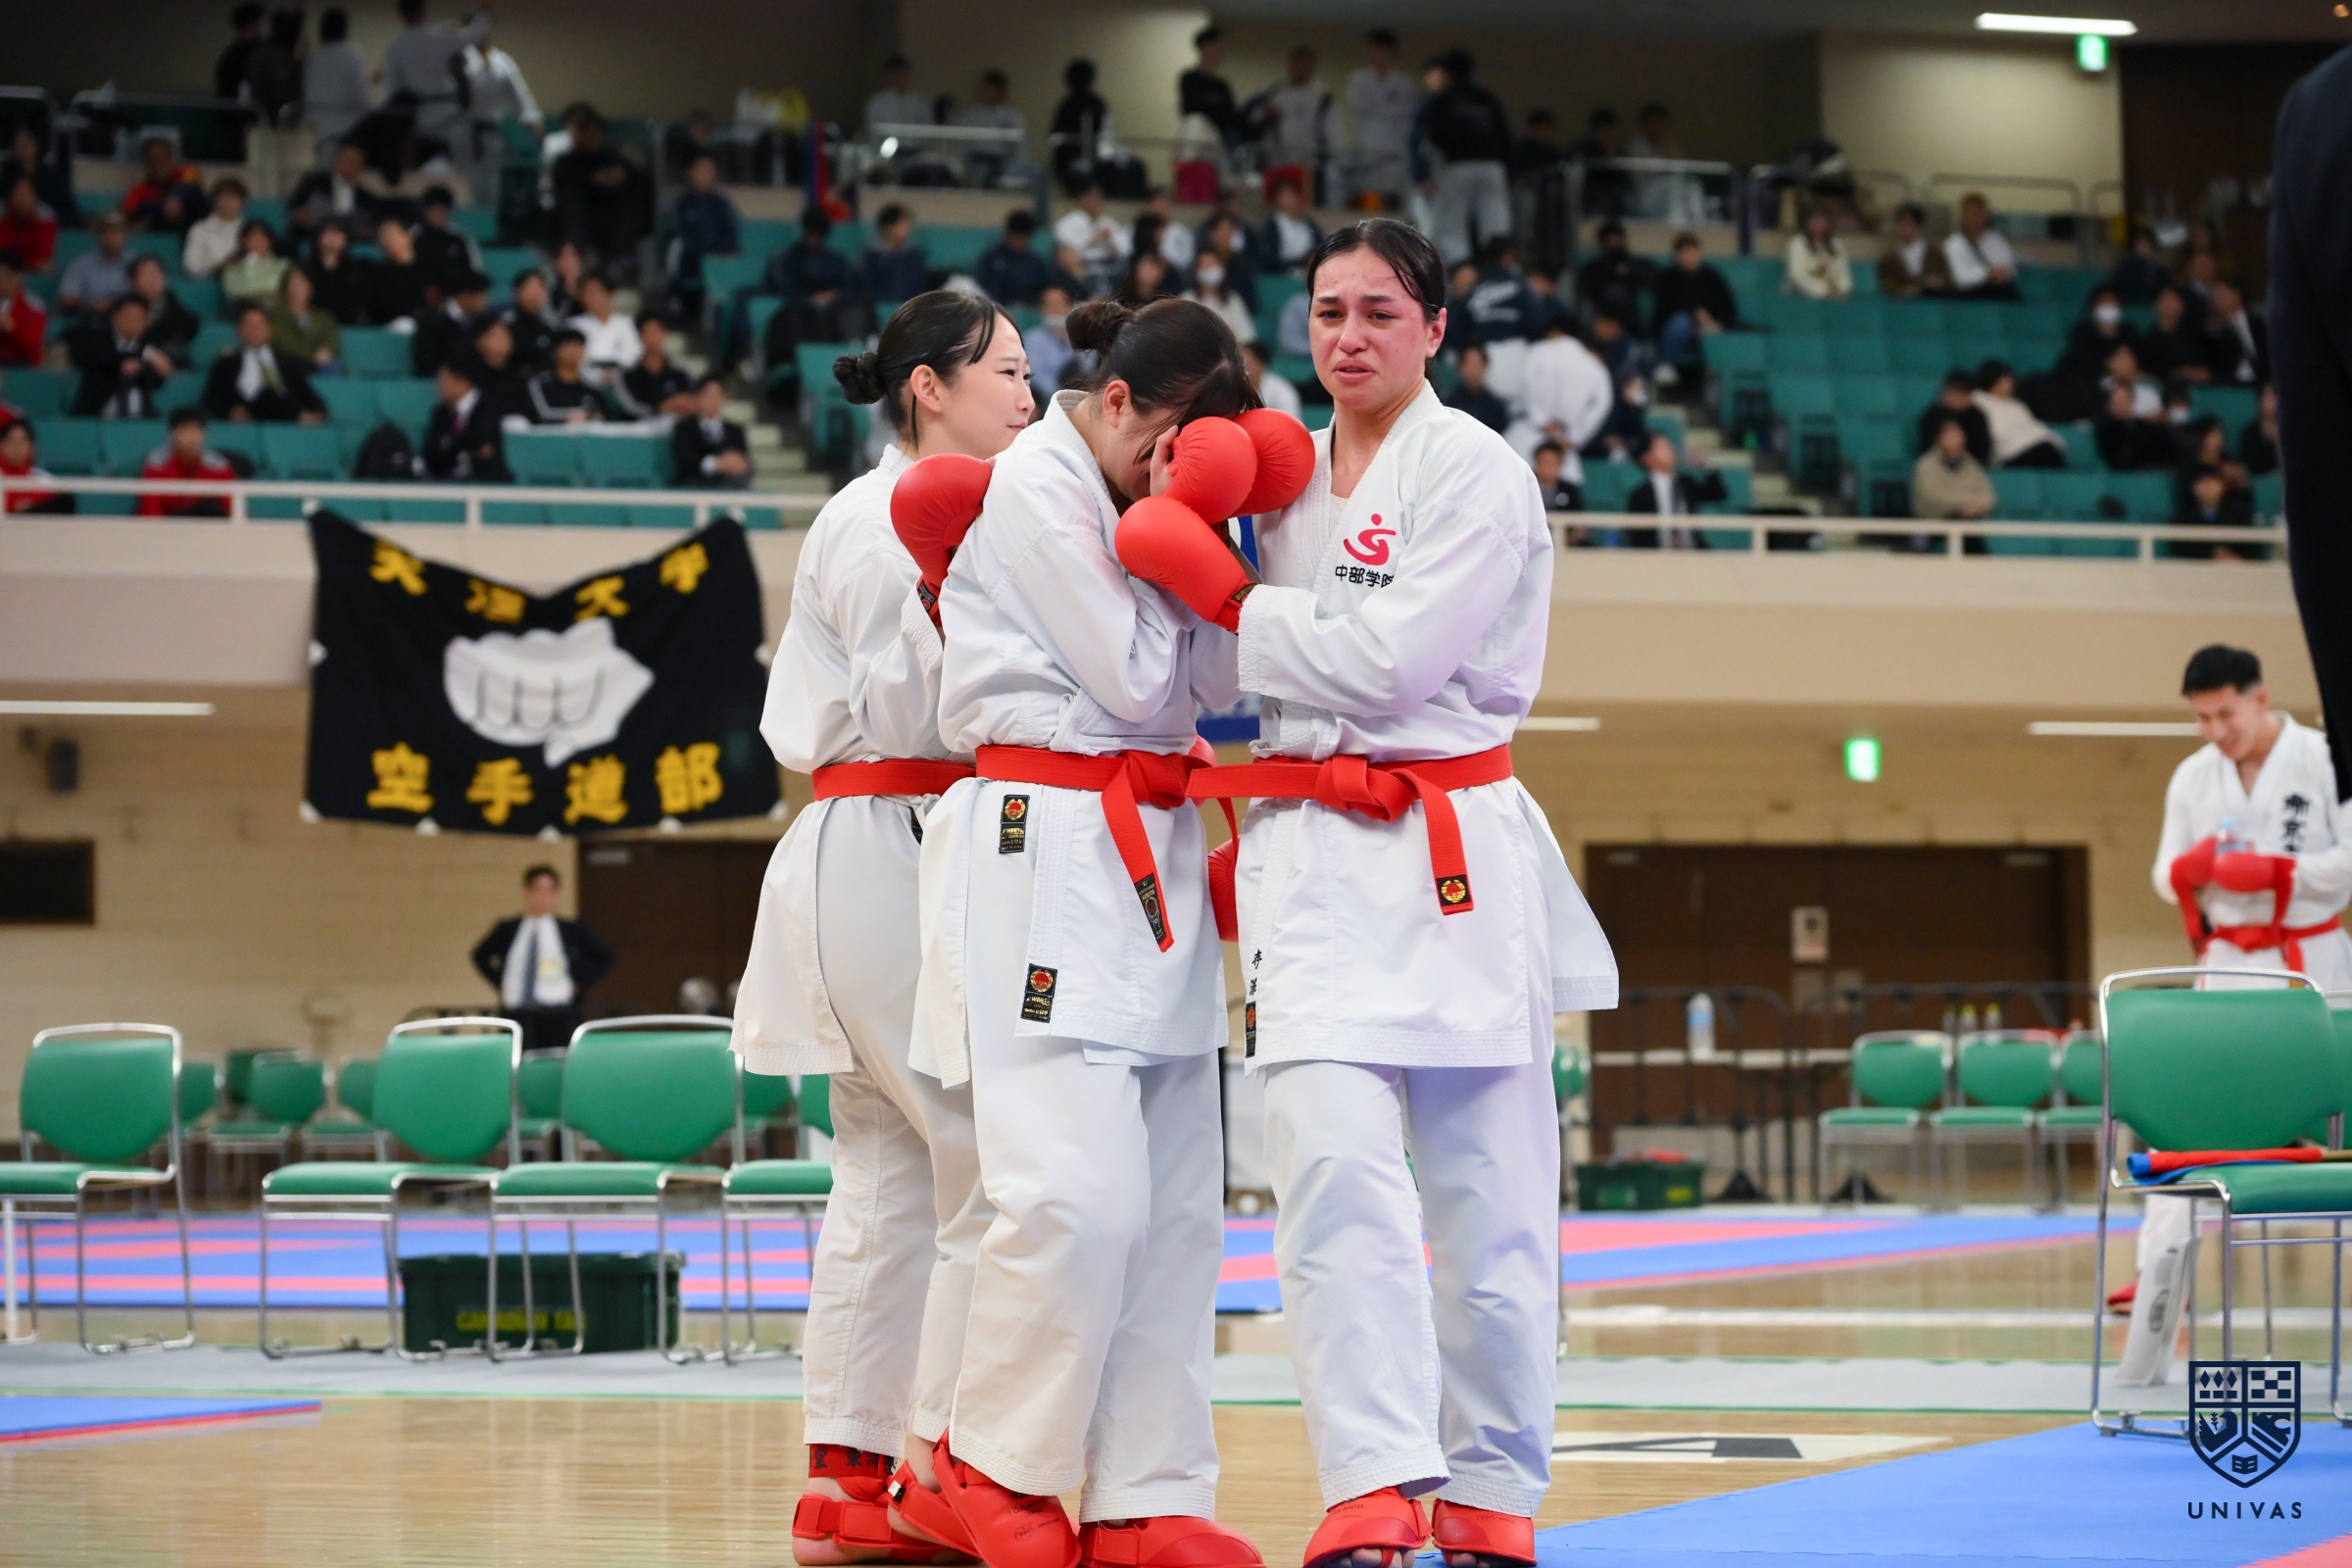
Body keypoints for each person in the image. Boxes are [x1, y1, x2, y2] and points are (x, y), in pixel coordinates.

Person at [1153, 219, 1609, 1568]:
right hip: (1306, 857)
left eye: (1379, 313)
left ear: (1435, 331)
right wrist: (1197, 554)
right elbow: (1227, 681)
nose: (1348, 336)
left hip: (1445, 847)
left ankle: (1492, 1488)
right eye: (1328, 311)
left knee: (1490, 1201)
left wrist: (1233, 599)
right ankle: (1371, 1480)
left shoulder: (1475, 472)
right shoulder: (1278, 476)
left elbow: (1394, 664)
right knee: (1327, 1180)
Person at [910, 296, 1263, 1568]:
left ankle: (1146, 1497)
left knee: (1176, 1208)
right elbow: (1134, 678)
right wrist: (1174, 535)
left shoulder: (1150, 495)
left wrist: (1208, 526)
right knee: (1076, 1195)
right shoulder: (1035, 485)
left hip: (1153, 844)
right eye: (1166, 445)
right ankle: (992, 1462)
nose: (1172, 470)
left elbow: (1222, 687)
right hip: (1047, 835)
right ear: (1115, 402)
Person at [736, 298, 1031, 1568]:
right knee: (975, 1155)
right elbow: (923, 706)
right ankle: (940, 1460)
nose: (1029, 394)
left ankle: (847, 1479)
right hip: (895, 833)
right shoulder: (884, 517)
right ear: (929, 388)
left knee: (888, 1172)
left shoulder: (910, 508)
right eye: (1006, 370)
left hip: (883, 842)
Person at [2121, 645, 2352, 1383]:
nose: (2216, 730)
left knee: (2342, 1124)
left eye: (2226, 713)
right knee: (2189, 1126)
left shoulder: (2324, 759)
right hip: (2225, 964)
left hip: (2312, 961)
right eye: (2202, 718)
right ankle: (2160, 1286)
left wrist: (2280, 872)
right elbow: (2164, 875)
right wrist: (2187, 872)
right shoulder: (2193, 776)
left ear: (2260, 698)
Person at [471, 865, 614, 1057]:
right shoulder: (508, 928)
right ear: (527, 891)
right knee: (514, 1059)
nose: (543, 896)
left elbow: (605, 956)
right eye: (538, 889)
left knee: (553, 1060)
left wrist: (579, 984)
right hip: (516, 1010)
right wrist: (502, 982)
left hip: (555, 1011)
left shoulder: (570, 929)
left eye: (549, 890)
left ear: (556, 894)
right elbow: (480, 955)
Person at [1415, 51, 1511, 266]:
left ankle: (1459, 271)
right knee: (1495, 223)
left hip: (1459, 166)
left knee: (1452, 226)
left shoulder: (1444, 99)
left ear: (1447, 72)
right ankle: (1499, 268)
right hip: (1492, 166)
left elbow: (1434, 135)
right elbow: (1505, 136)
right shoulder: (1487, 98)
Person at [382, 0, 490, 160]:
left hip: (418, 120)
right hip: (448, 116)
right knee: (456, 167)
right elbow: (476, 33)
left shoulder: (394, 49)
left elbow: (392, 91)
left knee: (424, 169)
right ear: (423, 11)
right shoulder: (439, 38)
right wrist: (482, 10)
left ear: (400, 13)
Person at [1510, 317, 1611, 483]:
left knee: (1514, 480)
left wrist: (1540, 419)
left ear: (1556, 331)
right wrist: (1575, 436)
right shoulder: (1592, 363)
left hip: (1528, 435)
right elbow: (1603, 403)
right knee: (1566, 488)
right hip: (1563, 441)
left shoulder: (1537, 351)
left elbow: (1523, 384)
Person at [553, 108, 653, 266]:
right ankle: (579, 254)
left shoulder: (614, 157)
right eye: (585, 131)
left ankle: (621, 258)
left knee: (632, 199)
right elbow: (564, 178)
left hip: (611, 218)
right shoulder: (567, 161)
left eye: (594, 130)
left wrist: (619, 177)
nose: (591, 135)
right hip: (583, 220)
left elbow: (636, 177)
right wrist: (592, 179)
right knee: (571, 197)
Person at [204, 300, 325, 423]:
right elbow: (211, 399)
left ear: (269, 329)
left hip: (283, 417)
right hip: (245, 418)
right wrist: (230, 412)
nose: (254, 330)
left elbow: (309, 396)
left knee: (271, 394)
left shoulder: (287, 362)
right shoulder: (226, 363)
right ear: (239, 329)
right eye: (248, 325)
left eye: (259, 325)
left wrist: (309, 414)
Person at [1346, 29, 1417, 206]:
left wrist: (1380, 108)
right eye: (1373, 50)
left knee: (1393, 198)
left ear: (1390, 52)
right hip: (1368, 148)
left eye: (1381, 50)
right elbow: (1359, 107)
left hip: (1395, 151)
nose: (1376, 55)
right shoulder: (1358, 80)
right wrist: (1386, 108)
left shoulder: (1404, 83)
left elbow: (1403, 113)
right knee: (1369, 198)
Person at [71, 295, 173, 417]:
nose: (133, 321)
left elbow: (158, 378)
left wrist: (151, 365)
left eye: (138, 317)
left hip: (139, 418)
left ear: (146, 322)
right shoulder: (97, 339)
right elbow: (95, 359)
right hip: (97, 416)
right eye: (128, 316)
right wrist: (139, 356)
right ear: (114, 317)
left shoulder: (151, 343)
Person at [1624, 430, 1728, 547]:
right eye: (1661, 447)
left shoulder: (1686, 483)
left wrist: (1704, 465)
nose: (1669, 450)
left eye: (1668, 445)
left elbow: (1719, 494)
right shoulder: (1639, 496)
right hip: (1658, 554)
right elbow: (1636, 536)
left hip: (1693, 552)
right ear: (1647, 458)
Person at [1651, 232, 1737, 373]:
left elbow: (1728, 309)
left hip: (1707, 332)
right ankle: (1665, 366)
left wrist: (1714, 322)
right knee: (1680, 322)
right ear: (1677, 255)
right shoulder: (1668, 278)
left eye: (1693, 252)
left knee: (1713, 333)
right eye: (1686, 252)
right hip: (1678, 332)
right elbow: (1665, 310)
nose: (1690, 257)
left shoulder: (1712, 277)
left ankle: (1714, 377)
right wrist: (1695, 315)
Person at [663, 153, 740, 310]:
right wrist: (704, 251)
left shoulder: (722, 204)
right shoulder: (680, 203)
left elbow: (730, 232)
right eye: (702, 170)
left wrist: (722, 250)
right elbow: (678, 234)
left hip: (718, 256)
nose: (706, 175)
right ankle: (674, 300)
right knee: (677, 247)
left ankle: (719, 309)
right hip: (691, 259)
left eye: (710, 170)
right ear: (691, 173)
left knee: (733, 257)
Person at [136, 406, 240, 516]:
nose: (192, 436)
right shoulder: (156, 465)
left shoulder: (219, 467)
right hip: (168, 523)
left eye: (197, 429)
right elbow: (150, 511)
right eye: (185, 429)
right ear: (172, 433)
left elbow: (232, 511)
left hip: (205, 524)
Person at [420, 358, 511, 479]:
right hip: (445, 481)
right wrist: (466, 454)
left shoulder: (488, 407)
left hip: (485, 481)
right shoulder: (440, 413)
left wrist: (449, 449)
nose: (438, 385)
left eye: (444, 380)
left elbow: (480, 441)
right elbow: (431, 456)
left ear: (462, 382)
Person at [286, 141, 393, 242]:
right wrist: (300, 215)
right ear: (335, 161)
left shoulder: (365, 196)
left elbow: (372, 221)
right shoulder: (314, 182)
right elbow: (294, 207)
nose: (349, 165)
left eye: (355, 162)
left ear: (361, 167)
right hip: (311, 235)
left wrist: (365, 229)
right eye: (346, 160)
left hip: (349, 241)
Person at [303, 8, 374, 155]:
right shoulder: (351, 56)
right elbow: (360, 96)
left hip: (321, 128)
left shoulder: (314, 58)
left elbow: (308, 93)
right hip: (348, 129)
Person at [1262, 46, 1332, 194]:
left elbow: (1333, 130)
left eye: (1307, 65)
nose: (1302, 69)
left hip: (1310, 164)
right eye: (1298, 64)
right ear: (1291, 65)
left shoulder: (1322, 95)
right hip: (1280, 161)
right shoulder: (1276, 91)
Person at [1972, 362, 2065, 469]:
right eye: (2004, 380)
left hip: (2032, 450)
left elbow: (2034, 428)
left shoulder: (2017, 406)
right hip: (2006, 457)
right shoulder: (1978, 402)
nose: (2009, 384)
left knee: (2049, 451)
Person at [1627, 101, 1703, 223]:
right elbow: (1657, 171)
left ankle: (1699, 223)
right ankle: (1675, 224)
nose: (1658, 127)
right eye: (1654, 122)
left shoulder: (1669, 145)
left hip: (1667, 191)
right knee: (1672, 186)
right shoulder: (1637, 145)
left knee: (1692, 185)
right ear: (1645, 124)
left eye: (1661, 123)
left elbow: (1679, 172)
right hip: (1645, 195)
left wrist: (1667, 147)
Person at [1049, 58, 1114, 199]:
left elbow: (1106, 135)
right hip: (1069, 161)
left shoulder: (1097, 105)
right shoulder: (1067, 106)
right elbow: (1056, 139)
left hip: (1096, 159)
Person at [670, 373, 752, 488]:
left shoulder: (735, 431)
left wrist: (738, 464)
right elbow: (686, 461)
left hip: (730, 485)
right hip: (696, 485)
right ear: (698, 397)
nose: (712, 400)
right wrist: (716, 465)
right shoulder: (685, 428)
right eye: (708, 395)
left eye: (717, 395)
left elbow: (743, 461)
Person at [1178, 26, 1243, 166]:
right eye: (1218, 47)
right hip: (1200, 140)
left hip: (1220, 142)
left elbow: (1231, 116)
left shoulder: (1221, 85)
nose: (1221, 52)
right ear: (1205, 47)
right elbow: (1191, 108)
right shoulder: (1189, 79)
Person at [611, 315, 696, 419]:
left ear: (665, 335)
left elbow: (690, 403)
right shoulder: (628, 376)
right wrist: (660, 409)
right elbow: (629, 408)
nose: (653, 337)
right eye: (648, 332)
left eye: (657, 331)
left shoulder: (680, 375)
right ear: (640, 337)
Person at [1910, 415, 1994, 521]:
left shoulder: (1972, 465)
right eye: (1949, 435)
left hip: (1968, 521)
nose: (1954, 439)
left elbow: (1988, 497)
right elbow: (1931, 496)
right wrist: (1964, 504)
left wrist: (1972, 507)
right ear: (1938, 438)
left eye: (1957, 434)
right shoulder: (1925, 465)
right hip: (1932, 522)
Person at [2169, 464, 2260, 562]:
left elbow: (2252, 545)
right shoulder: (2184, 517)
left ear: (2222, 485)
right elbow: (2180, 546)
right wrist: (2211, 554)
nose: (2207, 486)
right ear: (2193, 487)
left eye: (2212, 481)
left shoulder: (2239, 514)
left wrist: (2234, 557)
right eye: (2202, 482)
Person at [1573, 221, 1649, 337]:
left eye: (1616, 239)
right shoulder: (1593, 266)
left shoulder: (1631, 264)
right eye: (1610, 239)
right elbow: (1588, 288)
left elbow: (1640, 282)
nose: (1614, 242)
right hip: (1599, 312)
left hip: (1626, 316)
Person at [956, 70, 1028, 190]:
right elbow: (960, 146)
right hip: (975, 165)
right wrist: (959, 173)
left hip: (1002, 165)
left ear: (999, 90)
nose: (983, 92)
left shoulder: (1012, 116)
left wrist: (1019, 174)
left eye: (988, 88)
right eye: (982, 88)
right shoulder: (971, 115)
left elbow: (1020, 148)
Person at [120, 136, 207, 236]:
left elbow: (197, 195)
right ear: (146, 164)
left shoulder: (187, 173)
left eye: (163, 159)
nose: (159, 165)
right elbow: (124, 218)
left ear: (171, 159)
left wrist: (176, 197)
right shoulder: (138, 191)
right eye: (153, 160)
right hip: (159, 236)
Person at [1053, 182, 1128, 295]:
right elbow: (1068, 254)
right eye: (1091, 197)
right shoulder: (1067, 223)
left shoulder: (1107, 222)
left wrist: (1110, 240)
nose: (1095, 201)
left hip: (1106, 264)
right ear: (1081, 199)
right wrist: (1093, 239)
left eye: (1098, 197)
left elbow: (1124, 250)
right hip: (1083, 267)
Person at [568, 271, 641, 386]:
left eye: (597, 292)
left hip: (623, 382)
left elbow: (633, 354)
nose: (592, 298)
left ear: (611, 293)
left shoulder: (625, 324)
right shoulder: (574, 325)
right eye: (587, 292)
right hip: (585, 383)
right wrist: (596, 376)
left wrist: (616, 374)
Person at [1942, 193, 2019, 301]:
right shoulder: (1953, 244)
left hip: (1997, 291)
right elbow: (1959, 278)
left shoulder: (1996, 240)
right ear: (1964, 217)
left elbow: (2011, 268)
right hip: (1968, 294)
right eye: (1973, 214)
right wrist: (1988, 274)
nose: (1977, 218)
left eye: (1980, 213)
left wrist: (2002, 274)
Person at [269, 264, 342, 371]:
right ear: (286, 287)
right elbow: (284, 342)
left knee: (333, 366)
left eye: (303, 283)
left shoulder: (323, 317)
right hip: (290, 364)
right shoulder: (276, 316)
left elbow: (331, 338)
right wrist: (312, 355)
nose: (298, 288)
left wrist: (326, 351)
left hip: (320, 362)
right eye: (293, 283)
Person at [56, 213, 131, 318]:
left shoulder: (137, 262)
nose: (112, 237)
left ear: (125, 235)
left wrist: (116, 304)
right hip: (91, 318)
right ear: (98, 235)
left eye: (117, 231)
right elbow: (67, 297)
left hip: (130, 319)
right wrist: (91, 304)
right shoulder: (81, 265)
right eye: (107, 232)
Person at [2061, 286, 2140, 384]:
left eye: (2112, 302)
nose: (2108, 306)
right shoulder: (2082, 337)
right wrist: (2109, 368)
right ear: (2093, 308)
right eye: (2103, 303)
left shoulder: (2130, 334)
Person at [2094, 380, 2180, 472]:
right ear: (2109, 405)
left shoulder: (2145, 427)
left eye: (2125, 401)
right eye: (2118, 402)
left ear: (2132, 401)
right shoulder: (2104, 430)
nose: (2122, 405)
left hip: (2149, 469)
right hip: (2121, 471)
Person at [974, 211, 1054, 307]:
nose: (1018, 242)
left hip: (1029, 310)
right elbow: (983, 289)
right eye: (1016, 237)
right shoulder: (991, 259)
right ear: (1009, 235)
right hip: (997, 307)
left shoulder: (1036, 263)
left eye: (1023, 238)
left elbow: (1044, 290)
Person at [414, 187, 483, 293]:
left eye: (441, 210)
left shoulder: (460, 237)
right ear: (426, 211)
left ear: (448, 211)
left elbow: (475, 269)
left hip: (455, 292)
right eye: (434, 210)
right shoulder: (414, 236)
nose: (437, 215)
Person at [364, 220, 430, 327]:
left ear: (408, 235)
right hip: (398, 325)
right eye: (385, 238)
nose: (391, 241)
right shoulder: (380, 274)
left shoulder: (429, 267)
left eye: (394, 235)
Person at [527, 329, 604, 423]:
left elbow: (602, 415)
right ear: (555, 351)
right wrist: (572, 417)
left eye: (578, 346)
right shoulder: (541, 383)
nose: (574, 351)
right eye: (569, 346)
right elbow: (541, 414)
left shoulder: (592, 386)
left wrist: (587, 417)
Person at [2136, 285, 2208, 386]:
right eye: (2167, 299)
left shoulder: (2194, 337)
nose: (2171, 304)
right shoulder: (2148, 340)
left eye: (2175, 299)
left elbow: (2203, 369)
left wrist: (2193, 373)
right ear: (2157, 304)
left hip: (2192, 387)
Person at [1875, 203, 1949, 299]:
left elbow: (1947, 280)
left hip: (1931, 301)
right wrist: (1903, 290)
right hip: (1901, 303)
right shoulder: (1889, 259)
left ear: (1918, 225)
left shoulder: (1935, 254)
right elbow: (1886, 285)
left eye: (1909, 223)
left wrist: (1936, 282)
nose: (1904, 228)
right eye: (1901, 223)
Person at [1915, 371, 1990, 464]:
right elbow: (1926, 448)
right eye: (1955, 393)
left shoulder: (1977, 417)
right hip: (1937, 463)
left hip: (1968, 464)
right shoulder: (1932, 416)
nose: (1958, 398)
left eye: (1964, 394)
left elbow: (1982, 450)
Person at [1252, 176, 1321, 276]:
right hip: (1282, 275)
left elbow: (1321, 243)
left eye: (1292, 194)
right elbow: (1268, 259)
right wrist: (1301, 262)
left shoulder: (1307, 223)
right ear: (1276, 198)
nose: (1289, 198)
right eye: (1285, 194)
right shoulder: (1270, 227)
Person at [1185, 250, 1255, 346]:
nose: (1211, 268)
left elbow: (1246, 334)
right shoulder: (1187, 298)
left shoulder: (1232, 298)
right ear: (1196, 272)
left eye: (1214, 264)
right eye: (1206, 265)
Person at [2204, 278, 2267, 386]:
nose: (2215, 300)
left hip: (2261, 381)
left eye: (2221, 294)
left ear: (2237, 296)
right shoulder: (2212, 329)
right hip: (2229, 384)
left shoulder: (2258, 323)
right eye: (2213, 296)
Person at [1, 417, 72, 514]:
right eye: (11, 440)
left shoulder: (45, 481)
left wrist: (31, 509)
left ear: (32, 447)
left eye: (23, 440)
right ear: (2, 445)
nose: (17, 447)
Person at [180, 178, 248, 279]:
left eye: (233, 198)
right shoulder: (200, 228)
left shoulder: (248, 229)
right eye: (224, 198)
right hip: (210, 280)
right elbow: (190, 265)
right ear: (215, 200)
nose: (228, 203)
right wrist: (216, 266)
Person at [862, 206, 930, 304]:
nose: (907, 229)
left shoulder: (913, 255)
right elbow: (866, 288)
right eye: (902, 224)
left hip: (910, 307)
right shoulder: (871, 257)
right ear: (888, 227)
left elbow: (919, 285)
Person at [1783, 206, 1851, 300]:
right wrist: (1823, 290)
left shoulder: (1836, 245)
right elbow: (1796, 275)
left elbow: (1843, 274)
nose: (1819, 224)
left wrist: (1842, 289)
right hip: (1799, 297)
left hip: (1833, 297)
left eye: (1822, 220)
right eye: (1815, 220)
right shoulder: (1797, 243)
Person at [1022, 284, 1079, 396]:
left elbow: (1090, 368)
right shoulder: (1032, 339)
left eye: (1061, 303)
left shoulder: (1080, 335)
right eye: (1051, 305)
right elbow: (1035, 374)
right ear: (1042, 309)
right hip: (1050, 395)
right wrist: (1061, 393)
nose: (1056, 309)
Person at [220, 220, 291, 308]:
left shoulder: (284, 265)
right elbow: (233, 293)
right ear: (243, 242)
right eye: (252, 238)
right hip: (245, 310)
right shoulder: (231, 269)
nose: (257, 243)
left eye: (262, 238)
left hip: (276, 309)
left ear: (269, 241)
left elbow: (289, 291)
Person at [1442, 343, 1509, 434]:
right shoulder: (1448, 403)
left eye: (1477, 363)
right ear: (1461, 367)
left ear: (1485, 366)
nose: (1473, 368)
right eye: (1469, 363)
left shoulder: (1495, 408)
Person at [500, 267, 558, 371]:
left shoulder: (549, 326)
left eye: (540, 287)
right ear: (517, 292)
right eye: (530, 287)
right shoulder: (505, 324)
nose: (535, 293)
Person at [0, 176, 59, 276]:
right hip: (4, 267)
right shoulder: (2, 213)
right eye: (18, 193)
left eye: (26, 194)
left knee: (47, 266)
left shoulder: (45, 217)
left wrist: (22, 265)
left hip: (32, 267)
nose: (22, 199)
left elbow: (43, 254)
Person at [864, 54, 932, 138]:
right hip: (887, 145)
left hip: (915, 145)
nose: (899, 77)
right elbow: (873, 131)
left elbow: (928, 129)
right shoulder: (877, 103)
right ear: (888, 76)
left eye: (902, 73)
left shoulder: (919, 102)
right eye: (895, 73)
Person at [0, 250, 45, 368]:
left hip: (18, 365)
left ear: (20, 276)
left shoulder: (33, 305)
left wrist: (12, 329)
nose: (2, 281)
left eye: (8, 276)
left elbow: (32, 350)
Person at [217, 3, 269, 100]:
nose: (263, 27)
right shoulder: (240, 56)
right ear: (251, 25)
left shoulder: (231, 55)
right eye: (260, 22)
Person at [1242, 338, 1300, 420]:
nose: (1241, 368)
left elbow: (1291, 422)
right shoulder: (1233, 388)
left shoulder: (1282, 390)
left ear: (1261, 364)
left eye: (1246, 364)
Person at [2240, 384, 2279, 476]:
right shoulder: (2250, 434)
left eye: (2275, 397)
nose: (2273, 401)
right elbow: (2253, 468)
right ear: (2260, 401)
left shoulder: (2291, 432)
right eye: (2269, 397)